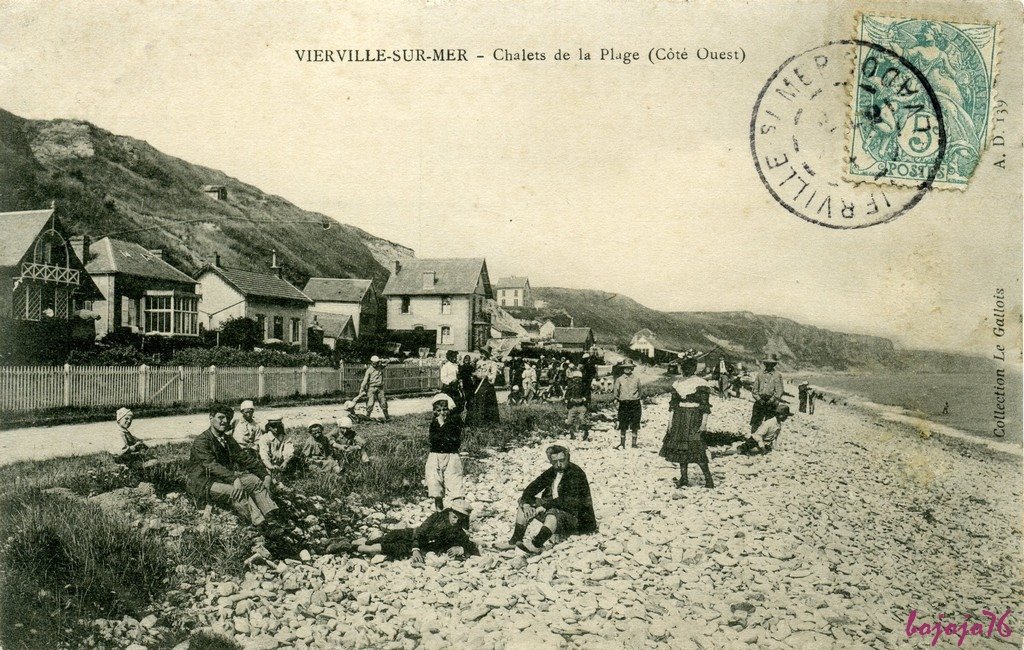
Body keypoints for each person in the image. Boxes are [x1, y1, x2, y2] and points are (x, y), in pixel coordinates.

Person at [186, 404, 278, 526]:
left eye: (228, 418)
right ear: (211, 417)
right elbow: (210, 465)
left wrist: (264, 474)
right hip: (203, 483)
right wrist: (234, 479)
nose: (224, 421)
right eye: (221, 417)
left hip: (223, 479)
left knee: (254, 481)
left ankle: (272, 518)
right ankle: (260, 524)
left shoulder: (228, 440)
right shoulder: (202, 441)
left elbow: (244, 458)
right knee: (236, 492)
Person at [503, 445, 597, 554]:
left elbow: (566, 500)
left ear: (568, 457)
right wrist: (527, 505)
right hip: (557, 513)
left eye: (562, 460)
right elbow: (532, 488)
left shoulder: (576, 473)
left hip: (578, 521)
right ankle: (515, 540)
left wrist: (543, 507)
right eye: (555, 461)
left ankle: (536, 544)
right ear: (550, 461)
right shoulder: (553, 471)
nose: (559, 464)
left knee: (553, 512)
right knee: (523, 501)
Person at [328, 500, 478, 563]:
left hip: (408, 547)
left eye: (460, 519)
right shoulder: (436, 517)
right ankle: (344, 541)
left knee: (373, 549)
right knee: (377, 540)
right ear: (449, 512)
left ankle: (347, 546)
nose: (456, 521)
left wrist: (461, 548)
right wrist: (416, 549)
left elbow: (471, 546)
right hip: (410, 536)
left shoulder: (458, 531)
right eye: (454, 516)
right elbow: (419, 532)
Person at [660, 378, 715, 488]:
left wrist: (704, 423)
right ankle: (684, 478)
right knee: (681, 448)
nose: (685, 370)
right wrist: (670, 422)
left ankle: (709, 479)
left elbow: (705, 406)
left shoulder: (700, 383)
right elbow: (673, 406)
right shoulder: (678, 383)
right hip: (679, 417)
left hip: (694, 418)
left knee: (697, 447)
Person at [426, 393, 464, 511]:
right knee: (435, 483)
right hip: (436, 455)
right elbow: (434, 440)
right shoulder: (434, 424)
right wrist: (440, 426)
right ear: (434, 411)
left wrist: (443, 425)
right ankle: (439, 511)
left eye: (445, 410)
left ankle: (458, 513)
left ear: (449, 410)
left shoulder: (454, 423)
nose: (442, 413)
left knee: (455, 483)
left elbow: (453, 441)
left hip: (451, 456)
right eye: (439, 410)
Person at [749, 355, 784, 433]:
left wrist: (772, 400)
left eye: (771, 364)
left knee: (769, 422)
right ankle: (754, 438)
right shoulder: (760, 374)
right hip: (760, 400)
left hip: (771, 401)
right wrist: (758, 399)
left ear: (774, 365)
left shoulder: (777, 375)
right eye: (767, 363)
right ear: (764, 364)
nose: (769, 365)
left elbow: (779, 390)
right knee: (755, 421)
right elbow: (754, 389)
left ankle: (766, 441)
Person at [612, 359, 642, 449]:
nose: (627, 369)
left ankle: (634, 443)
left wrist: (636, 398)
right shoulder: (619, 379)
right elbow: (616, 392)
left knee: (635, 423)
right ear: (623, 369)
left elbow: (640, 391)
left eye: (629, 368)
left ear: (632, 368)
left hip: (635, 403)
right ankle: (622, 443)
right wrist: (617, 400)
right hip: (624, 404)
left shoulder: (636, 379)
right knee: (623, 422)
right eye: (625, 368)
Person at [468, 349, 500, 425]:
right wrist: (475, 374)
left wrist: (487, 376)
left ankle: (489, 422)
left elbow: (493, 377)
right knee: (478, 401)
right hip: (478, 384)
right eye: (481, 353)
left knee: (487, 402)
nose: (482, 355)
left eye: (484, 353)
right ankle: (477, 421)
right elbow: (476, 372)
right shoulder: (478, 362)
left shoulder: (493, 364)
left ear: (488, 354)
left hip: (487, 386)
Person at [360, 356, 390, 422]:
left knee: (383, 403)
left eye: (376, 362)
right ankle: (367, 418)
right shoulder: (369, 370)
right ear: (371, 362)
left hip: (380, 388)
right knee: (370, 404)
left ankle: (387, 418)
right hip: (371, 388)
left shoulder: (380, 367)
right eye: (373, 362)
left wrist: (380, 360)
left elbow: (388, 361)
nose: (374, 364)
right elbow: (365, 380)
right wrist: (362, 388)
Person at [563, 368, 590, 440]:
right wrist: (571, 399)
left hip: (582, 405)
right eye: (575, 378)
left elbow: (588, 395)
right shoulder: (570, 386)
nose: (577, 380)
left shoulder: (584, 386)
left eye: (578, 378)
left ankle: (586, 433)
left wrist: (583, 399)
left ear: (581, 379)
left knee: (583, 420)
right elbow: (566, 396)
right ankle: (572, 434)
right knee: (569, 421)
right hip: (573, 406)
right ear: (573, 379)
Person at [440, 350, 464, 414]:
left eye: (455, 357)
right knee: (449, 403)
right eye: (453, 357)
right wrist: (451, 381)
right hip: (448, 387)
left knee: (459, 402)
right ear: (449, 357)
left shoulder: (456, 365)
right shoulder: (446, 366)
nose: (455, 358)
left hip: (456, 387)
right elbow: (443, 378)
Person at [458, 354, 476, 420]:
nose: (467, 361)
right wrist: (461, 382)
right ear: (463, 360)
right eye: (466, 359)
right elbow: (459, 376)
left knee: (470, 400)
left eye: (468, 360)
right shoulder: (461, 367)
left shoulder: (471, 367)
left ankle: (469, 417)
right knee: (463, 399)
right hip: (464, 384)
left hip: (470, 385)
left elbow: (473, 374)